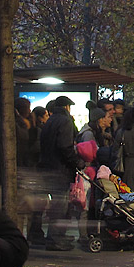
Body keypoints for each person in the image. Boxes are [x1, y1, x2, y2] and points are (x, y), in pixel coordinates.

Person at [38, 96, 83, 250]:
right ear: (67, 107)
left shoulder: (50, 121)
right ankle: (56, 239)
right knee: (60, 206)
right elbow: (65, 146)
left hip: (49, 167)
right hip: (61, 169)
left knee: (56, 205)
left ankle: (57, 237)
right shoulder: (65, 121)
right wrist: (76, 162)